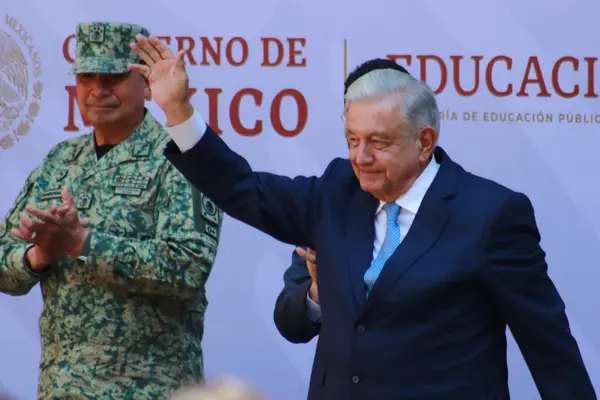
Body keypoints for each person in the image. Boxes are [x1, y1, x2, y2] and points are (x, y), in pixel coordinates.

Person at [129, 36, 596, 399]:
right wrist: (179, 112)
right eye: (352, 139)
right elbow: (244, 190)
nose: (361, 157)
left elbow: (547, 343)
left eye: (379, 142)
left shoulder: (490, 214)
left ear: (425, 140)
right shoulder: (336, 192)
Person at [0, 22, 223, 399]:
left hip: (149, 390)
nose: (98, 90)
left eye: (113, 77)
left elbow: (188, 267)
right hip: (60, 389)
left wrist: (84, 243)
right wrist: (39, 256)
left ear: (146, 83)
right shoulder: (60, 161)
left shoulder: (182, 157)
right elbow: (4, 259)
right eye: (87, 76)